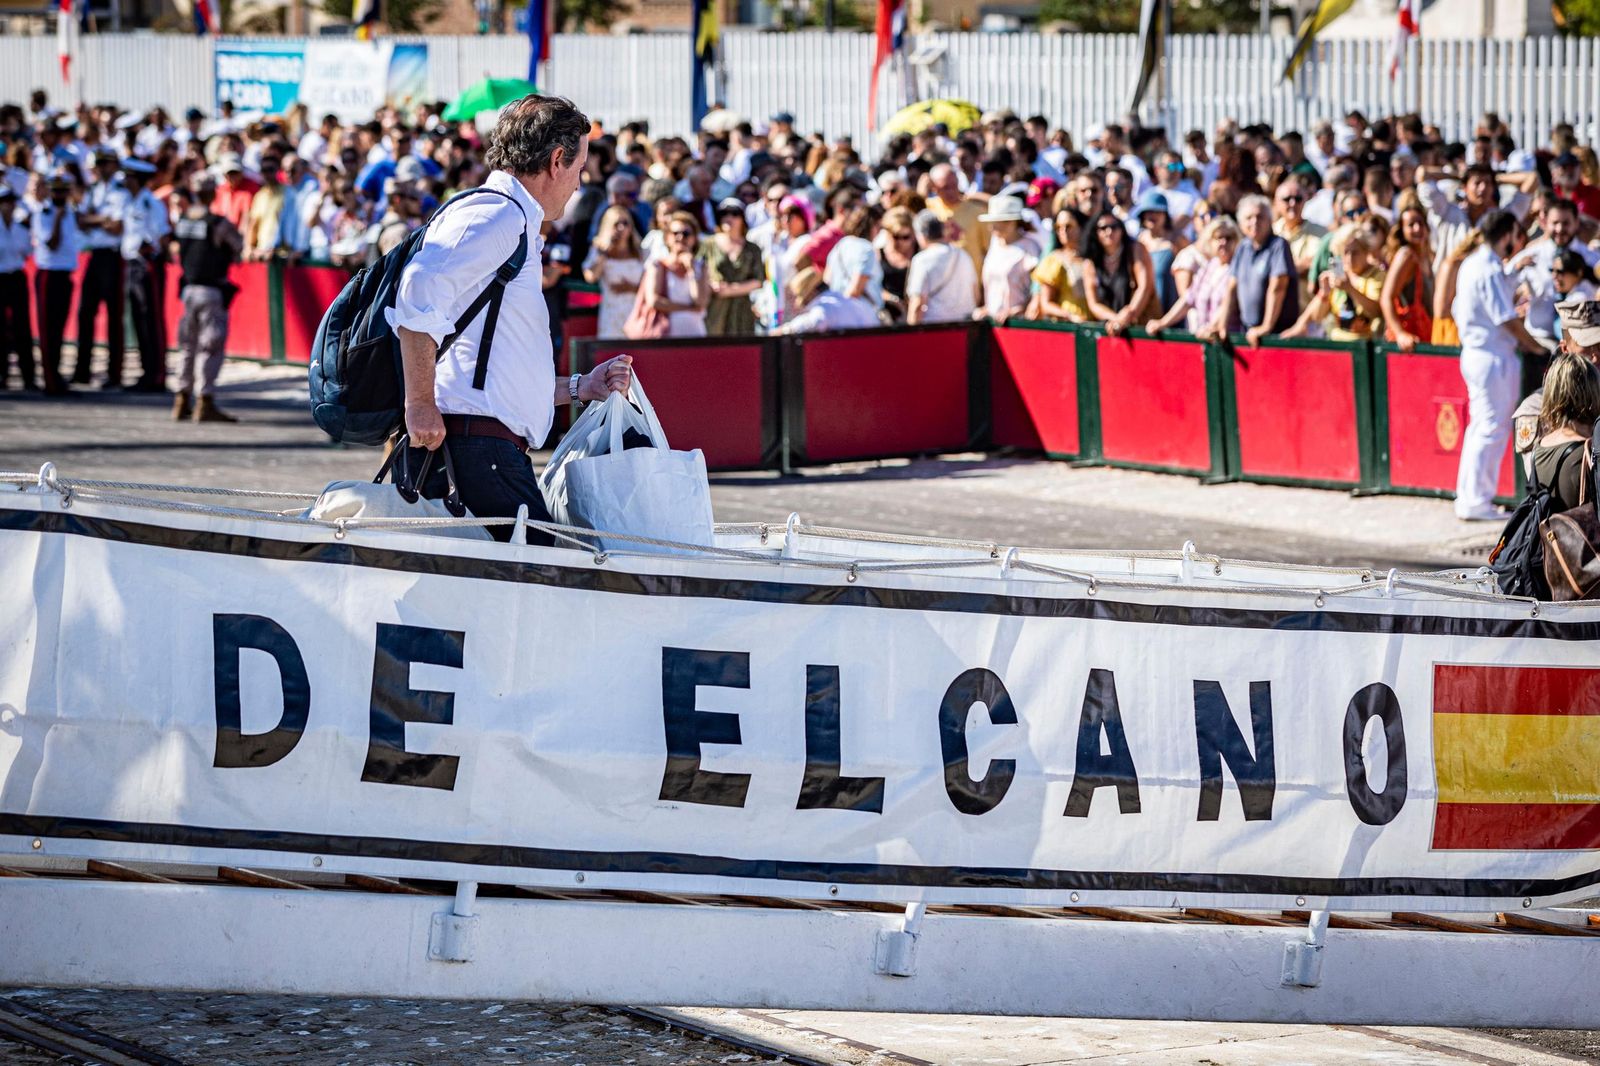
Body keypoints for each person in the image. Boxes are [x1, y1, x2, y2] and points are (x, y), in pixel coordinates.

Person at [392, 95, 633, 544]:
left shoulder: (509, 217)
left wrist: (582, 387)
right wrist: (419, 404)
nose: (580, 183)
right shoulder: (497, 214)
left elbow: (498, 372)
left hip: (481, 449)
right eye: (580, 168)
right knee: (549, 582)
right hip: (473, 451)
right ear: (557, 160)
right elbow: (417, 297)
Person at [1453, 209, 1547, 521]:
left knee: (1480, 426)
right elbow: (1505, 318)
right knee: (1491, 428)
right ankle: (1478, 501)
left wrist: (1512, 271)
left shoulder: (1477, 264)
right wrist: (1534, 346)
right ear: (1506, 234)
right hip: (1491, 356)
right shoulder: (1486, 268)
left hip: (1480, 353)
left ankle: (1471, 498)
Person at [171, 176, 242, 423]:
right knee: (209, 347)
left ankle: (181, 398)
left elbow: (177, 250)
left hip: (188, 289)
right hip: (211, 290)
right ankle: (205, 401)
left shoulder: (182, 221)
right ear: (213, 194)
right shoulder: (217, 223)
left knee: (188, 346)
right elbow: (238, 246)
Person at [76, 149, 128, 387]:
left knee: (114, 315)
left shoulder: (121, 192)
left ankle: (114, 372)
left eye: (104, 164)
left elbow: (116, 226)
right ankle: (82, 369)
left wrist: (95, 219)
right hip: (95, 254)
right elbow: (81, 220)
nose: (100, 169)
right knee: (85, 312)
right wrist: (101, 219)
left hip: (113, 255)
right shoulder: (93, 191)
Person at [1282, 224, 1386, 342]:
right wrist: (1324, 293)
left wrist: (1350, 289)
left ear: (1366, 251)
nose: (1350, 258)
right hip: (1337, 343)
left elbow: (1377, 312)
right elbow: (1317, 316)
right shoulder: (1339, 274)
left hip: (1367, 345)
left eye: (1355, 252)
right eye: (1345, 252)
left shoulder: (1377, 275)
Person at [119, 158, 170, 393]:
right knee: (138, 319)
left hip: (147, 264)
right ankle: (145, 371)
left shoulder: (152, 203)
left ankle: (157, 374)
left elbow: (161, 236)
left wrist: (149, 250)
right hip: (132, 263)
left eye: (129, 177)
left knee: (152, 319)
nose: (126, 181)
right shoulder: (131, 202)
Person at [1145, 217, 1240, 340]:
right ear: (1210, 241)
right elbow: (1188, 299)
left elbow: (1228, 303)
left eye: (1228, 238)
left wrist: (1211, 327)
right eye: (1218, 238)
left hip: (1228, 340)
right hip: (1202, 336)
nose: (1223, 242)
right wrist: (1163, 323)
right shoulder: (1210, 266)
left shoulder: (1238, 267)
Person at [1529, 352, 1600, 515]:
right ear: (1593, 391)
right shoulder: (1588, 451)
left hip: (1550, 539)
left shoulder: (1538, 447)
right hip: (1586, 539)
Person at [31, 171, 80, 396]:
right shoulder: (43, 213)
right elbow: (51, 243)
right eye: (57, 191)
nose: (60, 195)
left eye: (64, 191)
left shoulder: (71, 212)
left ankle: (57, 374)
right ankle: (49, 379)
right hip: (48, 274)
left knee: (59, 328)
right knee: (47, 329)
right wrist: (58, 219)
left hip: (65, 274)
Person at [1228, 194, 1299, 347]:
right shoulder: (1242, 247)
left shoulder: (1279, 245)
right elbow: (1231, 289)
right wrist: (1220, 325)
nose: (1254, 222)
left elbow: (1278, 287)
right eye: (1249, 218)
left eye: (1260, 217)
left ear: (1269, 220)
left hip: (1276, 335)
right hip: (1248, 332)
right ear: (1240, 223)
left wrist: (1266, 327)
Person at [1082, 208, 1154, 335]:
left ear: (1121, 229)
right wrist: (1116, 319)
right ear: (1095, 232)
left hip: (1140, 328)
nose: (1109, 232)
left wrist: (1128, 314)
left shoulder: (1135, 250)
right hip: (1110, 328)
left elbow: (1145, 287)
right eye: (1103, 228)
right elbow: (1094, 304)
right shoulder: (1091, 262)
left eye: (1114, 227)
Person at [642, 209, 709, 337]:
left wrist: (692, 270)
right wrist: (688, 308)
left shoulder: (701, 266)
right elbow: (654, 301)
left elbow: (700, 302)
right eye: (675, 233)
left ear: (694, 238)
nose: (680, 237)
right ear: (667, 237)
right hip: (665, 334)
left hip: (695, 333)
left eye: (686, 233)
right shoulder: (657, 265)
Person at [905, 209, 979, 325]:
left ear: (922, 235)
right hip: (966, 326)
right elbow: (976, 294)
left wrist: (910, 336)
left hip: (935, 329)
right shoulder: (963, 254)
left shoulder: (921, 260)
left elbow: (917, 304)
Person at [702, 197, 764, 335]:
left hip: (742, 309)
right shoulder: (707, 244)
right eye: (724, 213)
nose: (729, 218)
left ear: (742, 219)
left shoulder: (752, 249)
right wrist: (710, 285)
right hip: (714, 307)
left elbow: (759, 281)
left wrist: (731, 290)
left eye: (734, 213)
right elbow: (696, 271)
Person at [1380, 194, 1434, 351]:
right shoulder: (1406, 255)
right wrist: (1400, 334)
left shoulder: (1426, 256)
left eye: (1420, 223)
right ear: (1402, 230)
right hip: (1408, 343)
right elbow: (1386, 298)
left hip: (1424, 337)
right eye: (1411, 225)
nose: (1417, 228)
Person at [583, 204, 645, 339]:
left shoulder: (640, 251)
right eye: (617, 224)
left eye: (625, 223)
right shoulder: (599, 249)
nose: (621, 228)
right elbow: (591, 276)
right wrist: (604, 254)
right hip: (612, 312)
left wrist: (631, 288)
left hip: (637, 312)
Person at [977, 193, 1039, 322]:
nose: (991, 227)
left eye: (996, 222)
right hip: (993, 322)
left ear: (1011, 222)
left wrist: (1021, 308)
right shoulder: (994, 244)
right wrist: (987, 308)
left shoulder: (1030, 247)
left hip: (1018, 323)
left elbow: (1038, 288)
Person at [776, 266, 878, 333]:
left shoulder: (826, 306)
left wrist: (785, 330)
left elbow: (817, 321)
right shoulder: (843, 299)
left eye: (798, 295)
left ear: (811, 293)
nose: (797, 302)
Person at [1030, 207, 1090, 322]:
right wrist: (1070, 316)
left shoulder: (1090, 257)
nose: (1063, 231)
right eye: (1059, 227)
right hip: (1067, 327)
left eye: (1069, 226)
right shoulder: (1054, 259)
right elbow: (1046, 304)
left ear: (1081, 227)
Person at [0, 185, 33, 390]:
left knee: (22, 326)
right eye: (6, 202)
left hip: (16, 276)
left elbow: (26, 252)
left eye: (12, 203)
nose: (10, 206)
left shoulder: (21, 227)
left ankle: (28, 375)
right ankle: (2, 373)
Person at [824, 203, 884, 314]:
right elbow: (856, 289)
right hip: (861, 316)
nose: (879, 232)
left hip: (838, 311)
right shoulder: (867, 249)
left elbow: (827, 279)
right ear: (872, 226)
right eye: (879, 227)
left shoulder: (840, 245)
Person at [1132, 190, 1181, 312]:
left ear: (1165, 215)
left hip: (1169, 308)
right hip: (1143, 309)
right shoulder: (1137, 242)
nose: (1152, 216)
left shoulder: (1177, 240)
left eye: (1157, 212)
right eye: (1148, 212)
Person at [878, 205, 917, 322]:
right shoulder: (878, 254)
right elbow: (871, 287)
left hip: (915, 315)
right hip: (887, 315)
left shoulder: (921, 255)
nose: (900, 242)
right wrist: (892, 299)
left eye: (905, 237)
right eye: (895, 237)